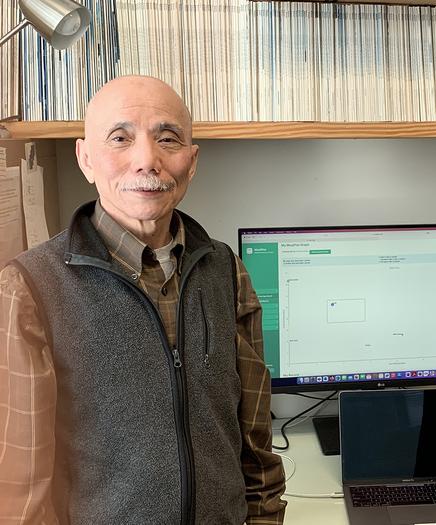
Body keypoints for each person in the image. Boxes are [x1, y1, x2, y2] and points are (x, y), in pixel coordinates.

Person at [0, 76, 286, 524]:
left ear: (191, 162)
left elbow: (256, 442)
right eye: (121, 138)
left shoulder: (226, 271)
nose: (147, 160)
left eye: (167, 138)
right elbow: (20, 491)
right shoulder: (31, 288)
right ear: (86, 158)